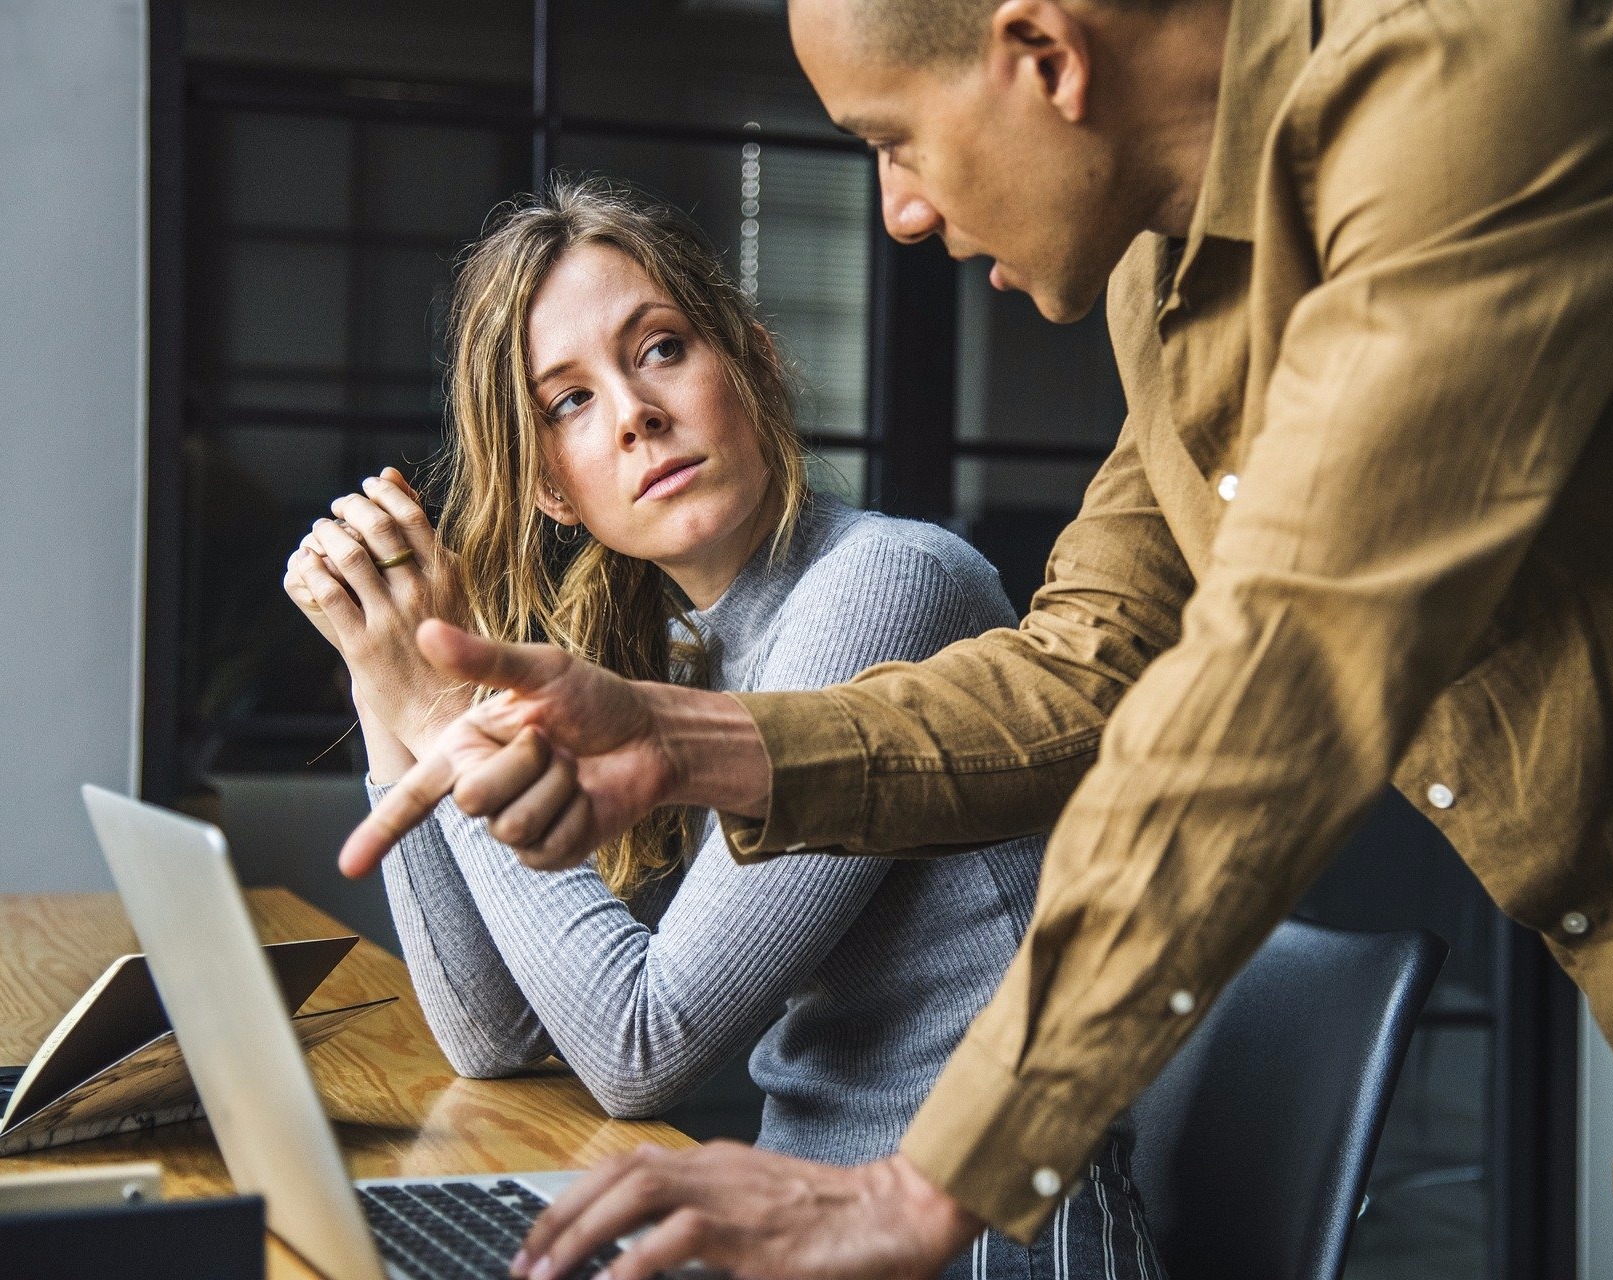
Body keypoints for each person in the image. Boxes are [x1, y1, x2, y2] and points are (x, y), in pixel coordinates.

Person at [345, 0, 1613, 1275]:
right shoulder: (1167, 285)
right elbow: (1088, 665)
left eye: (893, 141)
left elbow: (1283, 668)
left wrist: (931, 1181)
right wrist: (681, 737)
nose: (901, 211)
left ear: (1042, 54)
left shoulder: (1470, 100)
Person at [284, 178, 1163, 1280]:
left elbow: (636, 1045)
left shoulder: (886, 585)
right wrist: (386, 683)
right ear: (554, 491)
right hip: (803, 1230)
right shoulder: (680, 647)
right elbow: (492, 1037)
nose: (632, 413)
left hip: (983, 1242)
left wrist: (444, 715)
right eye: (567, 403)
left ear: (748, 358)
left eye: (657, 349)